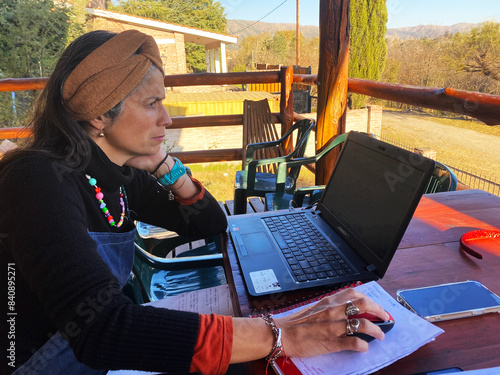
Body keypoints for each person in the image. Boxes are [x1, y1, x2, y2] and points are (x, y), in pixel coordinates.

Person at [0, 30, 390, 375]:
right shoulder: (36, 180)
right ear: (101, 113)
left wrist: (166, 167)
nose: (166, 118)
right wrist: (282, 332)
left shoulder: (118, 177)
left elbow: (209, 225)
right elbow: (101, 329)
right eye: (152, 103)